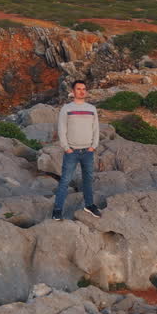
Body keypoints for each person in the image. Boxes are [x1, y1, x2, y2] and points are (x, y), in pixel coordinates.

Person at [52, 80, 102, 220]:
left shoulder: (92, 108)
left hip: (88, 151)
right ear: (73, 92)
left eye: (84, 89)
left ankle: (89, 205)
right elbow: (62, 129)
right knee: (65, 181)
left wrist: (94, 146)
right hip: (72, 152)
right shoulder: (66, 108)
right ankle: (57, 210)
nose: (81, 91)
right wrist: (67, 148)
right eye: (78, 89)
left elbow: (96, 128)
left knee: (88, 179)